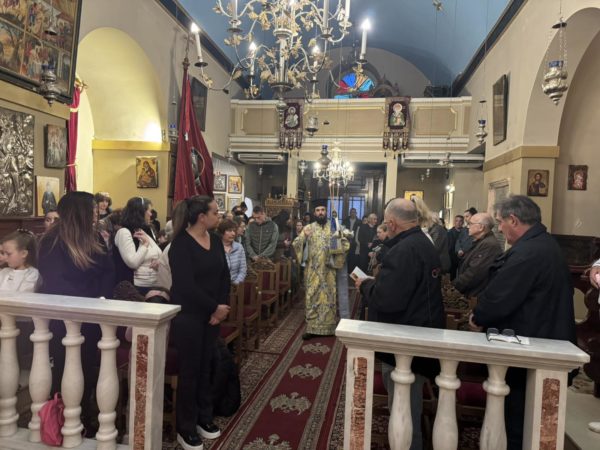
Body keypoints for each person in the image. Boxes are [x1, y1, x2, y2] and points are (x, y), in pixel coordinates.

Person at [469, 195, 576, 450]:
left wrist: (479, 316)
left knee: (518, 424)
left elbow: (499, 298)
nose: (499, 228)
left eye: (500, 222)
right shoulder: (541, 245)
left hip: (531, 349)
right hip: (541, 340)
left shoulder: (528, 253)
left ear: (514, 220)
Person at [356, 198, 445, 450]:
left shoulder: (403, 250)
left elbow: (388, 300)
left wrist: (366, 285)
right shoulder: (424, 242)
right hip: (421, 332)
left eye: (386, 223)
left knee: (404, 409)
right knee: (407, 405)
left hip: (404, 342)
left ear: (392, 223)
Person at [37, 191, 115, 436]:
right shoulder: (52, 241)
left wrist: (100, 297)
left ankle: (84, 413)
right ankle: (63, 416)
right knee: (65, 366)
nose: (96, 214)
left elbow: (108, 271)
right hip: (65, 316)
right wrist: (86, 299)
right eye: (92, 210)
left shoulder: (94, 237)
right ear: (79, 212)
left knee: (89, 366)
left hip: (92, 315)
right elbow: (55, 281)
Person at [169, 196, 231, 450]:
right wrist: (213, 307)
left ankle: (204, 417)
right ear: (201, 217)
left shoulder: (214, 240)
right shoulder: (180, 245)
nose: (219, 215)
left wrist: (221, 308)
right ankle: (185, 427)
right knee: (190, 371)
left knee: (206, 367)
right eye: (215, 212)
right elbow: (185, 286)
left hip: (212, 316)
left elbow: (224, 276)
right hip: (189, 317)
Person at [292, 201, 348, 339]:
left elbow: (345, 244)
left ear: (326, 211)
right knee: (312, 297)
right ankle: (311, 328)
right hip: (313, 271)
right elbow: (296, 244)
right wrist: (304, 236)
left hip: (329, 270)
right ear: (314, 212)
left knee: (329, 298)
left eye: (323, 210)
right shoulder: (308, 228)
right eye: (318, 210)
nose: (320, 212)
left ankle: (329, 328)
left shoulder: (334, 227)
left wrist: (337, 247)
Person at [114, 197, 162, 293]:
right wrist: (145, 245)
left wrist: (159, 262)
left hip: (153, 284)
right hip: (135, 289)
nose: (151, 214)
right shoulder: (124, 232)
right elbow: (133, 263)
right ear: (140, 212)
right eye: (149, 211)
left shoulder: (144, 231)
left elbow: (158, 254)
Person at [452, 213, 502, 297]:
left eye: (470, 224)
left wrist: (453, 286)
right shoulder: (481, 241)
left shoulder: (489, 245)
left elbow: (473, 274)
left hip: (476, 296)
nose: (468, 227)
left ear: (481, 227)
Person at [219, 219, 247, 285]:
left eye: (234, 231)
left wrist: (236, 283)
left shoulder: (239, 247)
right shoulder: (216, 247)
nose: (233, 233)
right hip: (219, 286)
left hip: (236, 285)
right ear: (222, 232)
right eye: (229, 231)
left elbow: (243, 269)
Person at [447, 215, 464, 279]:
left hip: (463, 256)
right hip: (452, 257)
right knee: (452, 274)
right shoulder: (449, 232)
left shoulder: (465, 232)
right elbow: (449, 246)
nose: (458, 223)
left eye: (460, 221)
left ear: (463, 222)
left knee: (461, 274)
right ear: (454, 222)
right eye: (457, 221)